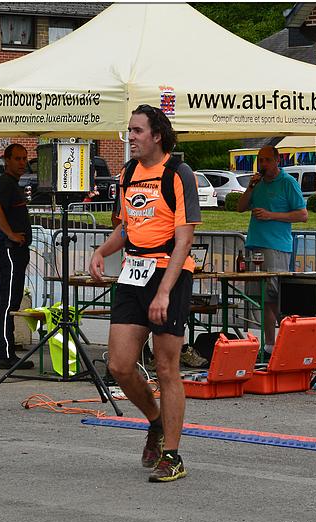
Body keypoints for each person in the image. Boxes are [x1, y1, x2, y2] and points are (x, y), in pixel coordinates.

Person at [89, 104, 201, 483]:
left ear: (156, 135)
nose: (131, 138)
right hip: (134, 272)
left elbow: (185, 240)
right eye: (129, 130)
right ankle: (154, 421)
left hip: (170, 273)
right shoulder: (128, 174)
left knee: (167, 367)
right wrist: (102, 251)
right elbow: (126, 227)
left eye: (137, 131)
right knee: (119, 365)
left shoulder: (178, 174)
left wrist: (164, 292)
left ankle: (173, 455)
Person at [236, 145, 307, 357]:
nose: (263, 164)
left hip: (276, 246)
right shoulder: (257, 183)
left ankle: (290, 340)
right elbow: (240, 208)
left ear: (278, 160)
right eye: (260, 160)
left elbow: (302, 215)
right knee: (263, 298)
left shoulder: (288, 183)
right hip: (255, 244)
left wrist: (271, 215)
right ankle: (269, 345)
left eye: (267, 160)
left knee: (276, 297)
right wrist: (249, 188)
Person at [0, 144, 35, 370]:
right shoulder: (5, 183)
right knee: (9, 302)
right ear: (6, 160)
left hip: (13, 249)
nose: (22, 162)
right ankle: (6, 353)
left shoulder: (12, 184)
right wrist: (11, 235)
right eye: (17, 158)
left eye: (25, 158)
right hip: (10, 249)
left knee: (3, 300)